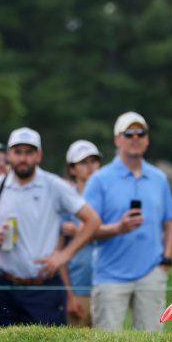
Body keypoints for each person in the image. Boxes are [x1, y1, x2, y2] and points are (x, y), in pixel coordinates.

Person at [0, 128, 100, 326]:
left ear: (39, 155)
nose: (23, 158)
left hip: (43, 287)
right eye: (18, 152)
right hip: (4, 285)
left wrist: (64, 255)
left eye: (29, 152)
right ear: (9, 155)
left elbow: (93, 220)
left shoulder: (54, 185)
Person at [84, 112, 172, 332]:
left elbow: (170, 222)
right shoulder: (99, 179)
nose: (135, 138)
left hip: (151, 273)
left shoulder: (159, 178)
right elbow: (85, 230)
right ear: (117, 139)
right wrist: (118, 228)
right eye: (129, 133)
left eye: (140, 133)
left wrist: (166, 260)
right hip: (110, 275)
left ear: (147, 139)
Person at [62, 139, 102, 327]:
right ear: (72, 169)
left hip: (108, 286)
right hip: (78, 287)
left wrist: (80, 231)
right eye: (83, 163)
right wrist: (69, 294)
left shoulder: (109, 197)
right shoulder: (64, 201)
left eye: (94, 161)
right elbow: (58, 252)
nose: (90, 167)